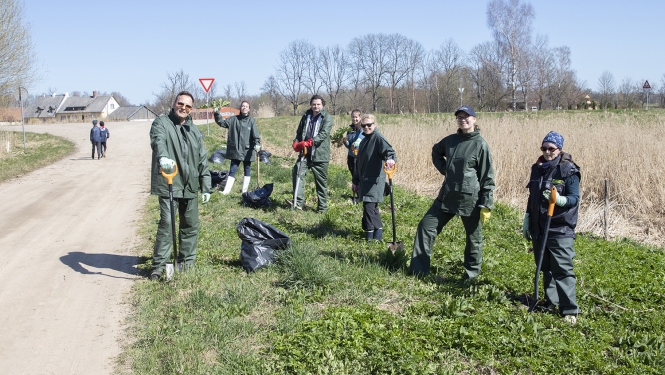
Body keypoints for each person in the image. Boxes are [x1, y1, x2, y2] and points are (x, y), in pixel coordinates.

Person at [409, 105, 495, 280]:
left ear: (474, 119)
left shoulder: (480, 145)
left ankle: (471, 276)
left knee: (473, 239)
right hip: (447, 197)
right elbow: (436, 152)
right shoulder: (450, 140)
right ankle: (419, 271)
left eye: (466, 117)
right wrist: (444, 169)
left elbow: (487, 176)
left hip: (470, 200)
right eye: (459, 117)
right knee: (426, 226)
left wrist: (486, 203)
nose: (463, 119)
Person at [149, 91, 212, 280]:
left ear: (191, 109)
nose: (183, 108)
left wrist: (206, 185)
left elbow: (202, 159)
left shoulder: (194, 131)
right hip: (170, 181)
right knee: (167, 222)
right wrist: (163, 157)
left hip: (190, 184)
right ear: (174, 103)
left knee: (190, 225)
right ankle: (159, 266)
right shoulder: (161, 123)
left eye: (188, 106)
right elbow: (157, 141)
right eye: (180, 104)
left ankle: (186, 263)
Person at [523, 131, 581, 324]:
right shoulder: (537, 168)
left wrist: (560, 200)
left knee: (562, 269)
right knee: (545, 267)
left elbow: (574, 199)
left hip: (559, 228)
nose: (547, 152)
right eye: (544, 148)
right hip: (539, 226)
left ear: (559, 149)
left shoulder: (568, 170)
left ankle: (569, 310)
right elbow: (532, 196)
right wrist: (527, 217)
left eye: (551, 149)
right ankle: (551, 302)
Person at [352, 114, 396, 243]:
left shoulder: (377, 137)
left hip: (374, 181)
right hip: (365, 180)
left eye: (369, 125)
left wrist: (390, 161)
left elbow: (390, 151)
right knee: (372, 208)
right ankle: (377, 236)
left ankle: (370, 240)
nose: (366, 127)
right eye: (364, 125)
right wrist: (355, 181)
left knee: (369, 209)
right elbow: (359, 163)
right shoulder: (365, 139)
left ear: (374, 125)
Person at [289, 95, 333, 212]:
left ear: (322, 105)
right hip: (305, 154)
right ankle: (298, 203)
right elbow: (299, 132)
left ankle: (322, 208)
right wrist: (296, 143)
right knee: (297, 171)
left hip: (320, 155)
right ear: (310, 105)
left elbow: (323, 134)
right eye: (314, 104)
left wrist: (310, 142)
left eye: (318, 104)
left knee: (321, 183)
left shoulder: (327, 117)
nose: (316, 106)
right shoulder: (306, 116)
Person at [213, 101, 261, 194]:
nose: (244, 107)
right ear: (240, 108)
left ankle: (244, 191)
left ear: (249, 109)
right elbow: (222, 123)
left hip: (247, 150)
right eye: (243, 106)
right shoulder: (233, 120)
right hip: (236, 149)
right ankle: (226, 191)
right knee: (233, 169)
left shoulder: (251, 121)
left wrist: (257, 143)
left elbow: (255, 134)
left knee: (247, 169)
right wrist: (217, 114)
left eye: (246, 106)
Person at [342, 109, 365, 176]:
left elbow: (361, 136)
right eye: (353, 117)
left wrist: (357, 142)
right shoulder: (350, 129)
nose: (354, 119)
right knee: (354, 176)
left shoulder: (364, 127)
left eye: (356, 117)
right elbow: (349, 146)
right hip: (351, 156)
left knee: (361, 176)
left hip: (360, 157)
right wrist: (345, 141)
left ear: (360, 117)